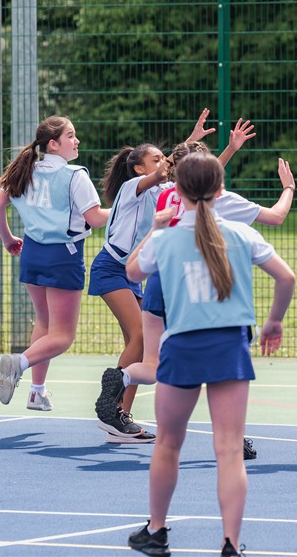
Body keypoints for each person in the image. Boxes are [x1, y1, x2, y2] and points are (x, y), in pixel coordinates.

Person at [124, 152, 295, 557]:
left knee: (168, 443)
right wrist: (273, 322)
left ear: (177, 192)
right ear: (221, 191)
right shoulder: (241, 234)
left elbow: (132, 271)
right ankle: (230, 543)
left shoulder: (166, 239)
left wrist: (154, 227)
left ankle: (157, 530)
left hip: (182, 347)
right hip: (229, 347)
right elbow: (286, 277)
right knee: (229, 449)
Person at [97, 136, 295, 459]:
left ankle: (124, 375)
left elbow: (134, 270)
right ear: (216, 181)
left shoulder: (163, 194)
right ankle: (234, 436)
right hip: (194, 286)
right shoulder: (224, 201)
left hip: (159, 279)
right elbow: (275, 216)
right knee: (218, 367)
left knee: (153, 363)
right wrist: (288, 188)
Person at [90, 112, 254, 444]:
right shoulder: (134, 186)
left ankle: (119, 417)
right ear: (139, 167)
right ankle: (115, 410)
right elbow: (179, 169)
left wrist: (222, 149)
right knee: (139, 339)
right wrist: (187, 146)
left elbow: (198, 181)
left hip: (138, 272)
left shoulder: (167, 190)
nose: (164, 163)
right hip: (113, 267)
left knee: (141, 348)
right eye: (156, 159)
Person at [0, 116, 110, 407]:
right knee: (63, 336)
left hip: (32, 254)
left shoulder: (26, 172)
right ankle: (20, 361)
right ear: (54, 144)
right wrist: (125, 208)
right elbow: (94, 218)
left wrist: (7, 240)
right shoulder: (74, 175)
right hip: (63, 256)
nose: (76, 140)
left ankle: (37, 391)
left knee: (44, 322)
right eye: (70, 136)